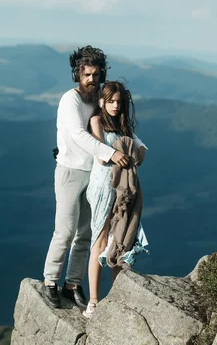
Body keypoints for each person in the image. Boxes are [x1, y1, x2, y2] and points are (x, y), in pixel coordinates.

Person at [41, 45, 142, 309]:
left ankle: (73, 284)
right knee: (64, 230)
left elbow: (119, 125)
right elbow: (77, 134)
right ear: (77, 74)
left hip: (96, 177)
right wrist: (111, 154)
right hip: (71, 171)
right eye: (86, 74)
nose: (91, 79)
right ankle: (50, 280)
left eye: (96, 74)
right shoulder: (70, 100)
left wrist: (140, 148)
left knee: (86, 233)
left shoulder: (99, 98)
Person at [82, 80, 149, 319]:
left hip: (121, 189)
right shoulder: (96, 121)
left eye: (118, 102)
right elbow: (101, 155)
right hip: (102, 187)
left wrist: (138, 152)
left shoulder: (123, 127)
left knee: (119, 241)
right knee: (99, 241)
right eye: (111, 101)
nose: (115, 105)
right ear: (102, 100)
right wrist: (120, 154)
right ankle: (93, 302)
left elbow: (140, 147)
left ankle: (116, 298)